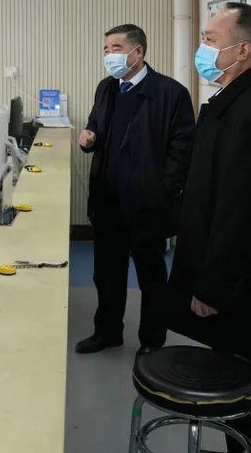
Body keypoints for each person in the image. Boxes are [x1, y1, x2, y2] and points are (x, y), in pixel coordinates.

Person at [166, 2, 251, 453]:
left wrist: (213, 287)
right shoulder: (233, 101)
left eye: (210, 40)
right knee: (237, 364)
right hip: (223, 269)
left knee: (249, 368)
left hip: (240, 280)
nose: (202, 49)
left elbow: (242, 211)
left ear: (242, 50)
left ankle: (250, 448)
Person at [75, 24, 195, 356]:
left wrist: (163, 190)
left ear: (137, 52)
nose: (108, 55)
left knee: (151, 277)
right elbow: (96, 125)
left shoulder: (171, 93)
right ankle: (107, 332)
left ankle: (152, 341)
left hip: (147, 205)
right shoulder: (106, 88)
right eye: (106, 49)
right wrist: (88, 138)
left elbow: (183, 150)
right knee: (106, 274)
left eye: (116, 48)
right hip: (108, 200)